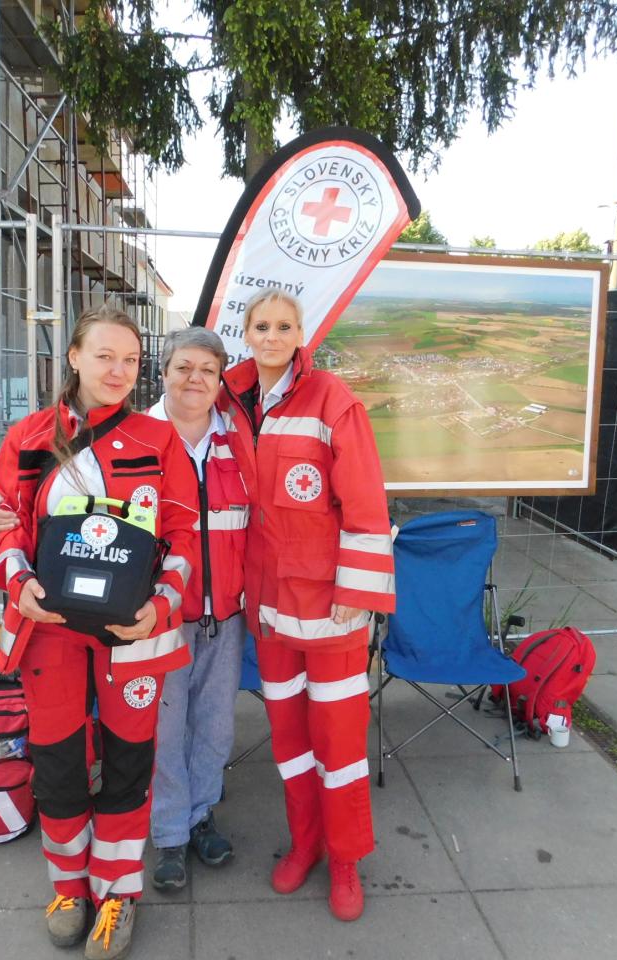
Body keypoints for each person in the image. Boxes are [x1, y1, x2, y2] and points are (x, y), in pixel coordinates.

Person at [0, 327, 252, 892]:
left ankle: (115, 889)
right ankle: (67, 888)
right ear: (74, 356)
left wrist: (161, 604)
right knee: (58, 765)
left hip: (135, 636)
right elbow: (10, 526)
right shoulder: (29, 436)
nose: (118, 370)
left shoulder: (157, 439)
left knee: (130, 765)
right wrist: (20, 583)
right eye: (104, 356)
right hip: (50, 633)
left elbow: (181, 534)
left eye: (129, 359)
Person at [221, 288, 396, 922]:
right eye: (261, 326)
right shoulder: (229, 399)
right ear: (246, 332)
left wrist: (358, 593)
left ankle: (345, 860)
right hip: (269, 608)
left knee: (339, 743)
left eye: (283, 326)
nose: (271, 336)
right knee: (291, 740)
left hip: (329, 611)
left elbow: (366, 503)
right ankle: (306, 844)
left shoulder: (333, 401)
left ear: (301, 335)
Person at [144, 327, 250, 890]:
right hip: (158, 618)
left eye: (208, 370)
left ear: (219, 380)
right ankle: (168, 835)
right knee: (163, 729)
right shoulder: (135, 439)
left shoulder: (238, 439)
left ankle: (201, 814)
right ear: (163, 372)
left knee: (214, 725)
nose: (195, 379)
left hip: (225, 613)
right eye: (184, 367)